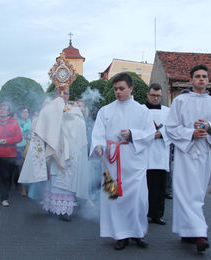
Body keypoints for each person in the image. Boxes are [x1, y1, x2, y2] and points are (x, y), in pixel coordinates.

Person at [165, 64, 211, 252]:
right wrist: (190, 133)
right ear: (191, 80)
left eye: (204, 76)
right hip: (186, 152)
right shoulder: (180, 101)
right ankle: (201, 234)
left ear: (208, 80)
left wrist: (209, 127)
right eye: (198, 76)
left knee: (198, 193)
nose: (201, 79)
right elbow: (171, 127)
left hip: (205, 153)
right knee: (186, 193)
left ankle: (187, 232)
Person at [91, 72, 154, 250]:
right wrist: (98, 145)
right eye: (116, 89)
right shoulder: (106, 110)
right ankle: (120, 234)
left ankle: (137, 233)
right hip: (111, 162)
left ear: (131, 88)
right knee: (114, 198)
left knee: (138, 199)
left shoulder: (142, 110)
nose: (118, 92)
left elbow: (150, 133)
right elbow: (98, 133)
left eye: (122, 88)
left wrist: (133, 134)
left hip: (135, 162)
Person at [19, 88, 89, 221]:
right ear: (55, 94)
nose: (62, 96)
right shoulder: (49, 110)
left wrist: (68, 118)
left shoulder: (75, 111)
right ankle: (53, 208)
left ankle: (65, 210)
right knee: (54, 180)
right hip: (54, 151)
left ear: (69, 95)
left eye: (66, 93)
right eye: (59, 93)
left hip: (70, 152)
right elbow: (41, 127)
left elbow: (79, 130)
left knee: (67, 181)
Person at [145, 83, 171, 226]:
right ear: (148, 95)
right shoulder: (141, 110)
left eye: (158, 96)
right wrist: (150, 135)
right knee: (146, 187)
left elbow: (173, 129)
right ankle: (144, 212)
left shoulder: (168, 112)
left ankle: (157, 215)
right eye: (152, 95)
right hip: (145, 156)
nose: (155, 98)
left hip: (161, 154)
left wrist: (161, 134)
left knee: (160, 188)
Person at [14, 107, 31, 196]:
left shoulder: (30, 122)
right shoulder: (16, 123)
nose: (26, 113)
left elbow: (34, 133)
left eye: (27, 112)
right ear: (20, 114)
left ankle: (28, 188)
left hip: (29, 147)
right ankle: (23, 189)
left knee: (28, 168)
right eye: (24, 112)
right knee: (20, 168)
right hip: (19, 147)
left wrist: (30, 137)